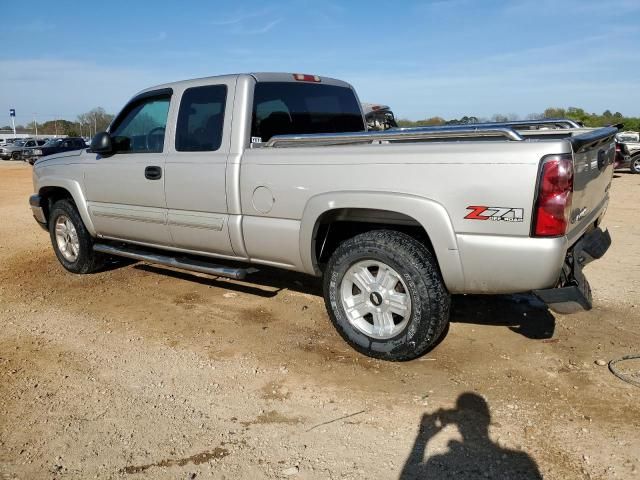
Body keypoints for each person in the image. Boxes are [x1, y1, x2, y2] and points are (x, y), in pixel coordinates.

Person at [399, 393, 542, 479]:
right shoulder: (522, 462)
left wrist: (422, 439)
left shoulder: (437, 460)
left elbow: (406, 477)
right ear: (487, 421)